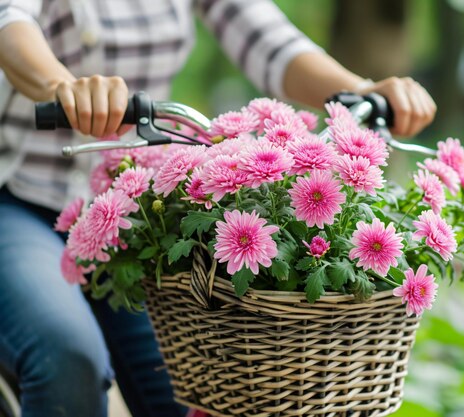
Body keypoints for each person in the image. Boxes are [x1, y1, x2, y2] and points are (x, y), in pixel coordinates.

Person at [0, 0, 437, 416]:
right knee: (67, 358)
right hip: (18, 195)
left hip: (133, 216)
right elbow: (10, 20)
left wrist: (358, 91)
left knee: (206, 387)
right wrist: (63, 86)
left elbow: (267, 39)